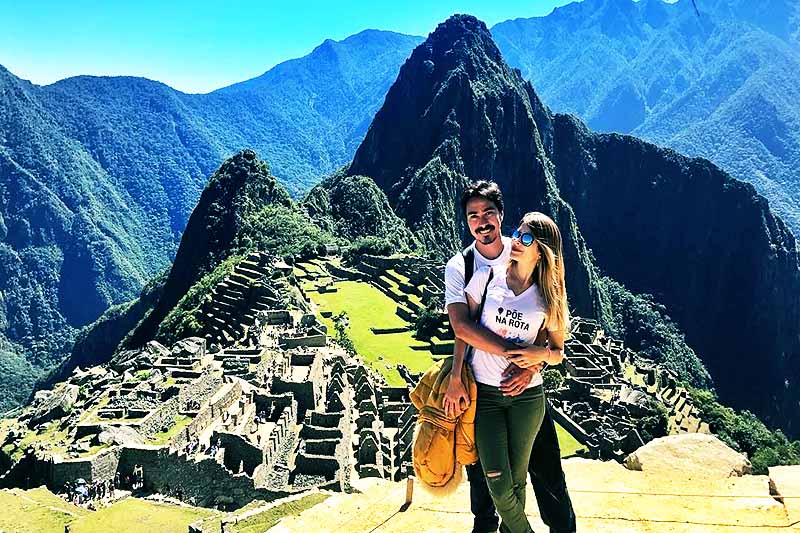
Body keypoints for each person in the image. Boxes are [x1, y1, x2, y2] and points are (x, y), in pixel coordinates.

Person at [443, 181, 576, 533]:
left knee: (546, 472)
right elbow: (462, 326)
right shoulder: (466, 267)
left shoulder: (525, 257)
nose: (482, 222)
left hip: (527, 391)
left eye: (489, 213)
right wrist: (458, 375)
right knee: (486, 478)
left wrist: (531, 361)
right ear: (467, 222)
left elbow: (551, 337)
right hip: (484, 386)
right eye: (473, 216)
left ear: (501, 215)